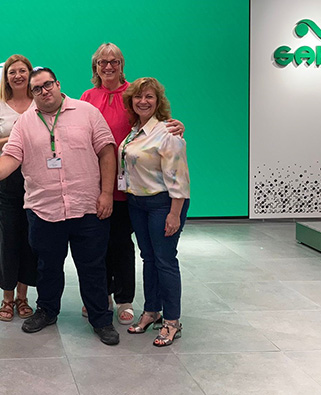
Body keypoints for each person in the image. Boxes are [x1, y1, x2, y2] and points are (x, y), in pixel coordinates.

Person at [0, 67, 120, 345]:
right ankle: (47, 311)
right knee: (47, 267)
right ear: (31, 94)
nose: (44, 92)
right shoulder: (24, 123)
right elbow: (11, 156)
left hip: (87, 207)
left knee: (92, 267)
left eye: (48, 85)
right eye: (37, 89)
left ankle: (101, 320)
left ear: (58, 84)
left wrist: (106, 193)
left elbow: (106, 151)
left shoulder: (87, 112)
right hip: (44, 209)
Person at [80, 43, 185, 325]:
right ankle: (101, 296)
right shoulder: (87, 97)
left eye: (114, 61)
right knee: (97, 244)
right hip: (98, 185)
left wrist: (175, 125)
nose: (109, 66)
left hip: (131, 189)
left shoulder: (133, 94)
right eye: (103, 62)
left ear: (121, 64)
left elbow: (154, 123)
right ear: (96, 66)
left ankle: (125, 299)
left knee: (123, 246)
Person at [120, 77, 190, 347]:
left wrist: (174, 214)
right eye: (138, 97)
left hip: (164, 204)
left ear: (158, 101)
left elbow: (179, 180)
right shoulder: (134, 131)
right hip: (138, 204)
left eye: (149, 97)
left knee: (165, 260)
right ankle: (151, 311)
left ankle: (172, 321)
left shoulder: (168, 133)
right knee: (148, 258)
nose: (143, 101)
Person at [0, 54, 37, 321]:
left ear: (30, 74)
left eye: (22, 70)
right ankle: (6, 299)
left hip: (36, 177)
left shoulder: (40, 103)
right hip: (4, 178)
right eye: (12, 71)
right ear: (6, 77)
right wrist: (15, 136)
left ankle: (23, 298)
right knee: (7, 237)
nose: (17, 75)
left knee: (30, 236)